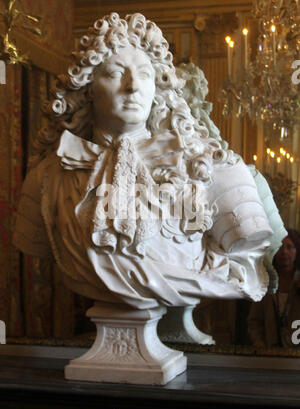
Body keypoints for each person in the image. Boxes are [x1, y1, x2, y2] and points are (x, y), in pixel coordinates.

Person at [13, 13, 282, 312]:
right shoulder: (48, 176)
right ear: (87, 88)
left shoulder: (210, 169)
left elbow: (247, 249)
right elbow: (34, 244)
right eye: (115, 73)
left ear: (159, 87)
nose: (132, 87)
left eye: (144, 74)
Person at [248, 229, 300, 348]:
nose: (284, 252)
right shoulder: (264, 281)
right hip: (269, 353)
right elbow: (254, 322)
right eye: (280, 247)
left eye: (289, 247)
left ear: (297, 250)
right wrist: (261, 346)